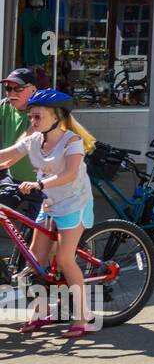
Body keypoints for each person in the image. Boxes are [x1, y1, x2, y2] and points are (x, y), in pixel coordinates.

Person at [0, 90, 97, 336]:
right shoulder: (33, 140)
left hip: (74, 203)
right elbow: (7, 156)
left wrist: (39, 185)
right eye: (31, 117)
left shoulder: (71, 141)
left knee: (65, 258)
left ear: (56, 116)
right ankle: (40, 313)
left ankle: (83, 318)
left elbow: (70, 174)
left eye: (37, 117)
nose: (32, 121)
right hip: (51, 203)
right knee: (35, 261)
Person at [0, 68, 38, 210]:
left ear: (33, 90)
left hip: (41, 183)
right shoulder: (5, 106)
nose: (12, 93)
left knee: (41, 230)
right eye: (8, 88)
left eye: (18, 89)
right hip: (13, 179)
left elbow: (22, 146)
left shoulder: (40, 111)